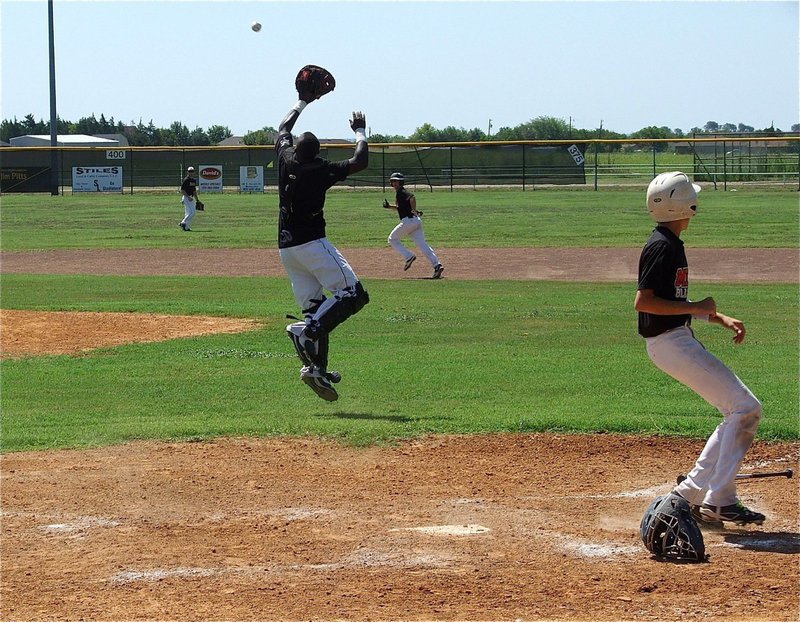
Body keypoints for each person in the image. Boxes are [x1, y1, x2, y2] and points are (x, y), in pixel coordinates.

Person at [635, 171, 764, 527]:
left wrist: (713, 315)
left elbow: (671, 299)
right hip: (669, 343)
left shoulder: (670, 241)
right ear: (684, 205)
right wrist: (697, 308)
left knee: (737, 410)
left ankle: (700, 497)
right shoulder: (663, 245)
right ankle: (711, 499)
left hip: (676, 340)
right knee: (745, 408)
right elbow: (644, 302)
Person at [277, 92, 370, 402]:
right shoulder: (318, 170)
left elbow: (283, 129)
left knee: (319, 310)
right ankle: (306, 332)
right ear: (316, 155)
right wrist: (359, 131)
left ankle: (317, 369)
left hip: (288, 250)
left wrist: (302, 101)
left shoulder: (286, 157)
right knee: (353, 294)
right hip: (312, 244)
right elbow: (360, 161)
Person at [383, 172, 444, 279]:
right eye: (393, 181)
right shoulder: (400, 193)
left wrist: (414, 209)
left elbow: (412, 197)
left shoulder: (401, 192)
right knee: (422, 245)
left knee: (392, 239)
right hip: (415, 221)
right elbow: (400, 208)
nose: (394, 183)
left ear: (401, 182)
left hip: (409, 222)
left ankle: (409, 256)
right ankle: (437, 265)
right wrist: (389, 207)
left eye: (396, 181)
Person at [179, 166, 199, 231]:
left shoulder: (193, 180)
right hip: (186, 197)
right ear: (187, 172)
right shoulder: (186, 180)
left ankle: (186, 227)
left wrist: (197, 200)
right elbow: (182, 190)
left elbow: (194, 191)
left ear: (194, 172)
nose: (191, 172)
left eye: (192, 171)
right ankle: (183, 222)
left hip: (190, 197)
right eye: (190, 171)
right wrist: (188, 197)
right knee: (192, 212)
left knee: (188, 213)